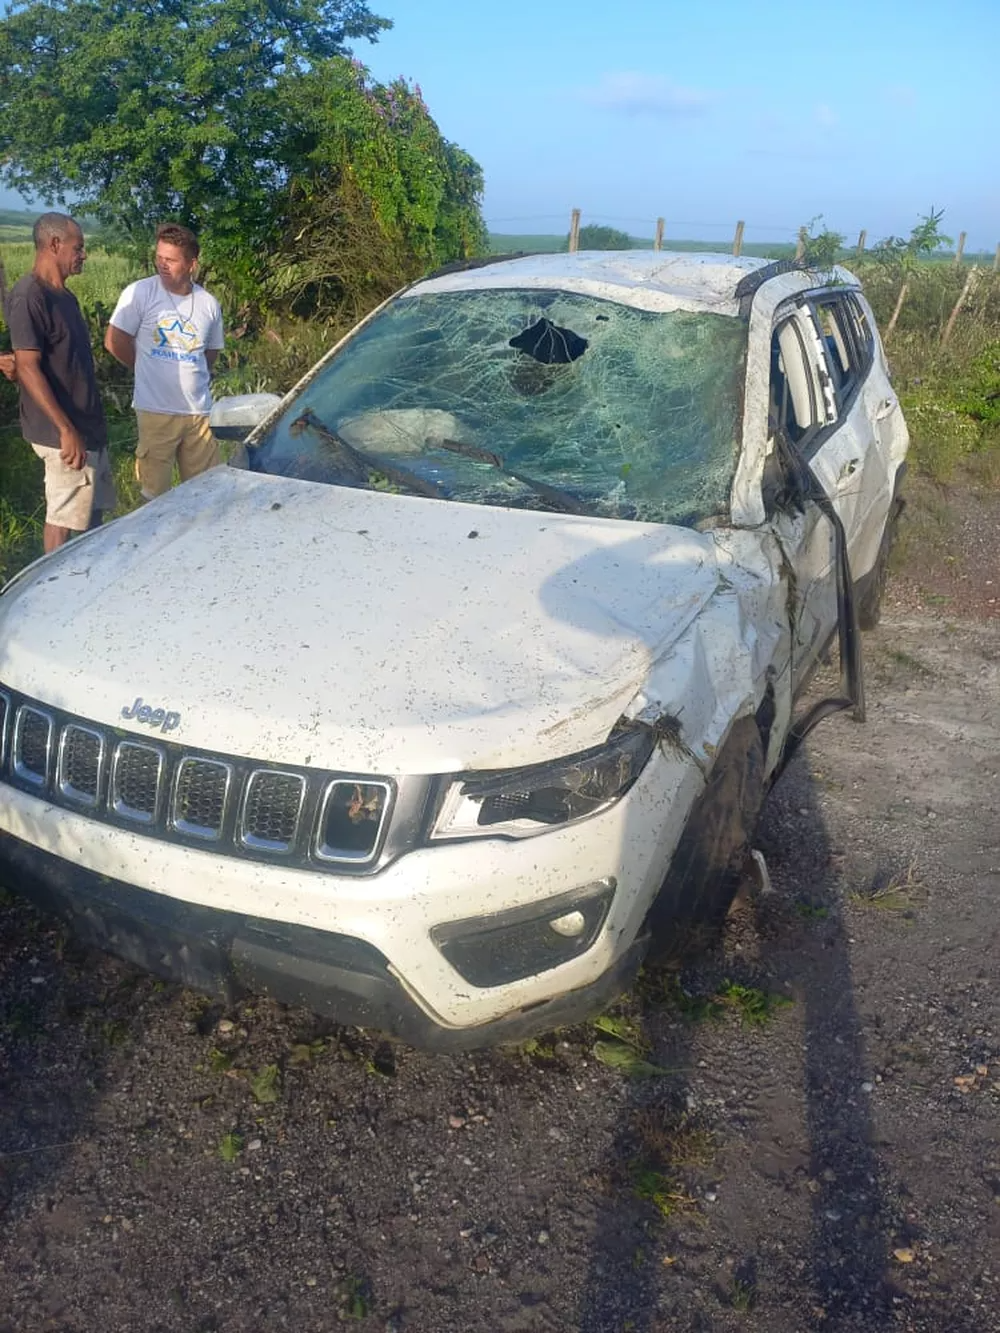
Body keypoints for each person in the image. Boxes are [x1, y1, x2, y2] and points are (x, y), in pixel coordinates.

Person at [6, 213, 114, 552]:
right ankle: (52, 593)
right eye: (78, 248)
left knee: (91, 515)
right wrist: (66, 429)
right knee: (64, 518)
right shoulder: (29, 296)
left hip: (87, 425)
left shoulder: (65, 297)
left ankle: (91, 582)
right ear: (55, 244)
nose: (83, 255)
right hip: (61, 432)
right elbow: (27, 368)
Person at [105, 222, 224, 500]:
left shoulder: (208, 303)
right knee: (153, 496)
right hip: (155, 410)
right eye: (159, 257)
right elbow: (114, 341)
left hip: (198, 414)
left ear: (191, 263)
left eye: (170, 259)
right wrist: (144, 366)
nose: (162, 264)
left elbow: (211, 352)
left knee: (203, 492)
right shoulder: (141, 293)